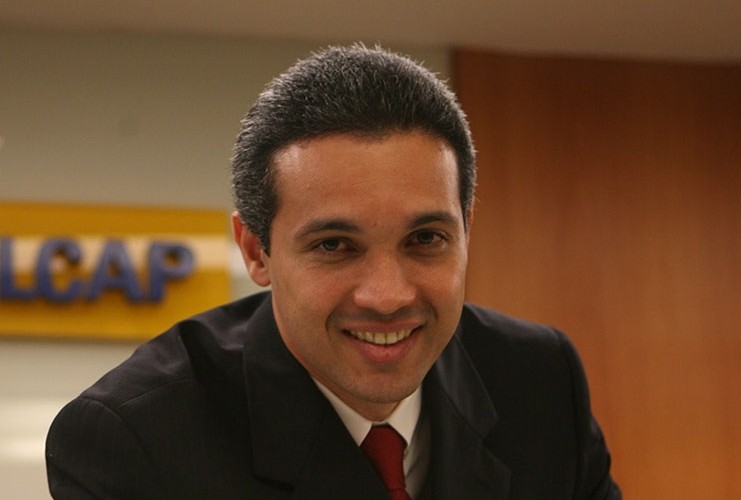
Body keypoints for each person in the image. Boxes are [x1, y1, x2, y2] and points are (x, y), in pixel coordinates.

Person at [46, 45, 621, 499]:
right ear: (256, 251)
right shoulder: (133, 439)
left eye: (425, 239)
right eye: (334, 246)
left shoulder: (541, 382)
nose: (388, 296)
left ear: (466, 232)